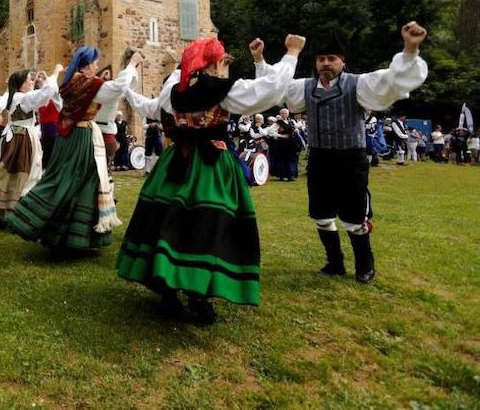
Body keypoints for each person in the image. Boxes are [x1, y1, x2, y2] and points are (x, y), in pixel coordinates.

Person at [116, 35, 305, 323]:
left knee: (164, 220)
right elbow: (270, 90)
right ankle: (198, 295)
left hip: (174, 163)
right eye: (220, 62)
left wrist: (129, 88)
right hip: (210, 164)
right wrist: (291, 53)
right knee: (207, 225)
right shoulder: (222, 90)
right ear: (215, 63)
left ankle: (168, 290)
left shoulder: (173, 88)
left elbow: (151, 108)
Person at [283, 24, 428, 284]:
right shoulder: (303, 88)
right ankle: (335, 262)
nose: (326, 63)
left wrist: (410, 48)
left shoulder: (359, 84)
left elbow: (392, 82)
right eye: (321, 59)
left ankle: (365, 264)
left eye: (331, 59)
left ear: (342, 61)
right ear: (316, 63)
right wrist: (260, 61)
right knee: (322, 215)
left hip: (351, 159)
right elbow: (272, 88)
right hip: (319, 158)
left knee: (354, 216)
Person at [5, 48, 143, 251]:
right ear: (86, 66)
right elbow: (117, 88)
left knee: (66, 180)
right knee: (81, 182)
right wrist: (131, 65)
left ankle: (62, 235)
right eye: (95, 63)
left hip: (66, 138)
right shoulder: (89, 84)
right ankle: (37, 222)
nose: (97, 67)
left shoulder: (69, 83)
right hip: (80, 138)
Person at [0, 66, 62, 226]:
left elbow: (44, 95)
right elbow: (46, 92)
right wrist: (55, 73)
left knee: (12, 173)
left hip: (14, 137)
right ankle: (17, 216)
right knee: (25, 173)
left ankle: (3, 216)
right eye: (29, 79)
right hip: (22, 139)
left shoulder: (15, 96)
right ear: (21, 84)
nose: (32, 81)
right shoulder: (22, 98)